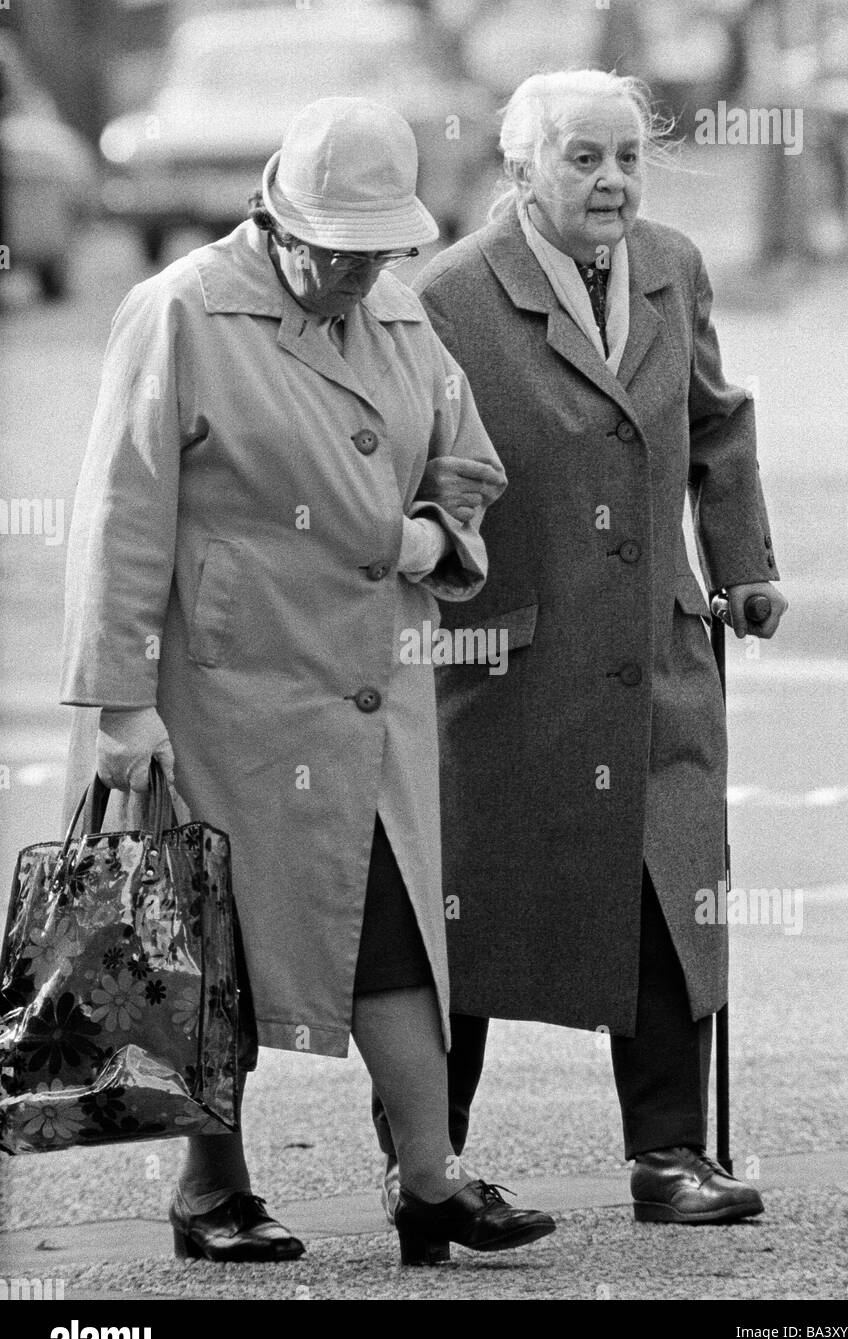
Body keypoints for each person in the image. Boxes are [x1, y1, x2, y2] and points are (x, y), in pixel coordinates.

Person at [60, 96, 553, 1266]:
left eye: (376, 248)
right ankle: (210, 1187)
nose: (355, 271)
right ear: (276, 220)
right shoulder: (179, 309)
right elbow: (120, 515)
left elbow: (466, 462)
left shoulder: (393, 309)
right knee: (206, 944)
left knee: (388, 931)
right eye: (336, 247)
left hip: (363, 689)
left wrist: (437, 534)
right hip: (219, 693)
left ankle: (429, 1178)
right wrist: (121, 701)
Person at [373, 69, 788, 1225]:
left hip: (656, 649)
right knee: (472, 907)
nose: (611, 181)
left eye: (626, 158)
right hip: (502, 665)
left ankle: (670, 1153)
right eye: (582, 159)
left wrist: (743, 563)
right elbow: (416, 464)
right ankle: (427, 1162)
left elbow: (715, 418)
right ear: (520, 172)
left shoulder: (671, 266)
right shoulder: (445, 296)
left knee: (670, 894)